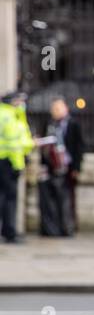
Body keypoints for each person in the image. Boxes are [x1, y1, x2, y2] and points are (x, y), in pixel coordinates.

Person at [0, 90, 34, 244]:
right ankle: (10, 232)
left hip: (5, 160)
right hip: (9, 162)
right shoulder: (9, 116)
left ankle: (8, 231)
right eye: (19, 101)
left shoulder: (7, 114)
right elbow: (14, 143)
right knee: (10, 198)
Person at [48, 96, 85, 232]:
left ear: (65, 109)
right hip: (54, 165)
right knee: (55, 197)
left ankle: (70, 225)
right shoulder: (51, 125)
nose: (55, 111)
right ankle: (58, 224)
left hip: (68, 165)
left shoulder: (73, 124)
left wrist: (77, 167)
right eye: (54, 109)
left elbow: (79, 147)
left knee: (70, 197)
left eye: (58, 108)